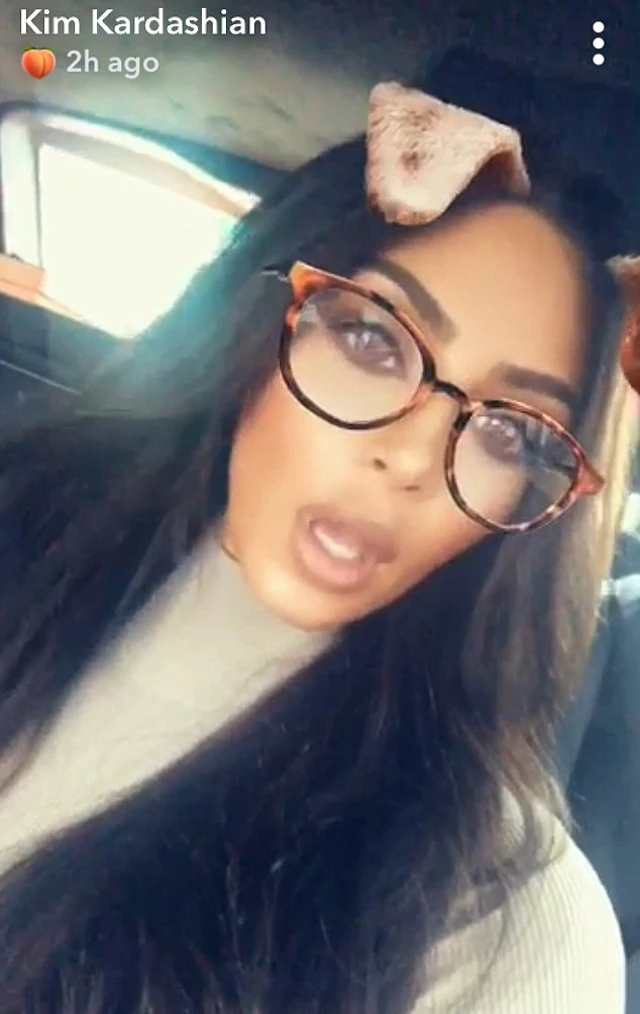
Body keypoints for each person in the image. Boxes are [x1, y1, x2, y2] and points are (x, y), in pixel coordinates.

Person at [0, 71, 637, 1014]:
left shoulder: (507, 925)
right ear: (259, 322)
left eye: (510, 432)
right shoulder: (28, 531)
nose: (411, 459)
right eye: (374, 341)